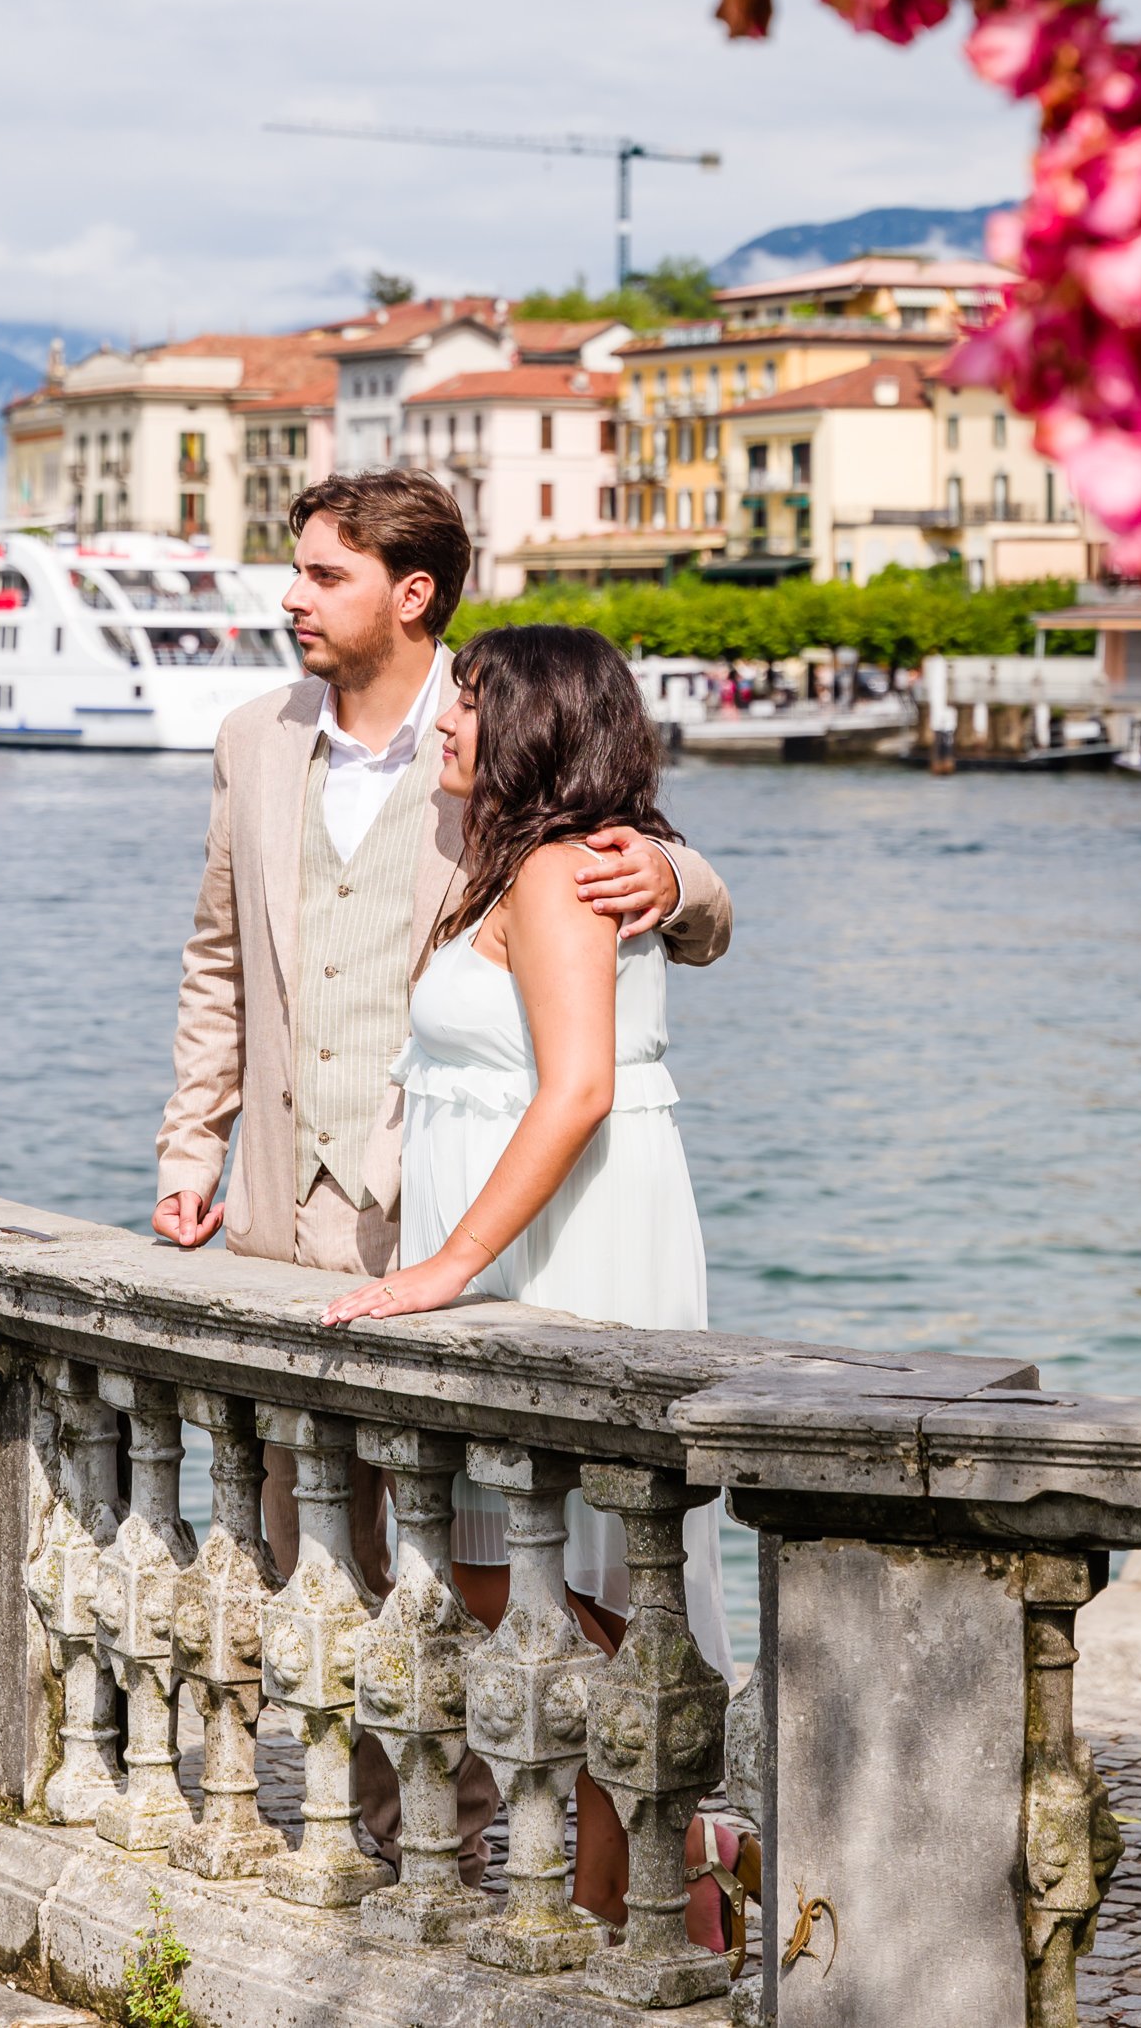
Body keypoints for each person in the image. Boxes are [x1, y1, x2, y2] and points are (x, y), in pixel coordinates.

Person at [153, 466, 733, 1873]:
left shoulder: (499, 732)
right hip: (290, 1216)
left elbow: (639, 868)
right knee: (323, 1568)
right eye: (293, 571)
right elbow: (220, 964)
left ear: (412, 596)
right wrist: (190, 1145)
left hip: (462, 1214)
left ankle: (511, 1852)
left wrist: (680, 888)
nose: (289, 596)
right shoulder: (250, 739)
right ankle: (399, 1848)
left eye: (321, 574)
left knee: (491, 1565)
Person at [321, 621, 745, 1940]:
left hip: (570, 1256)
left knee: (585, 1599)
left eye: (470, 702)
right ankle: (665, 1885)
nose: (444, 721)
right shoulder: (506, 864)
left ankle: (648, 1901)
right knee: (535, 1587)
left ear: (535, 726)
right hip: (528, 1251)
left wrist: (448, 1265)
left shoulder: (566, 875)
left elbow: (579, 1088)